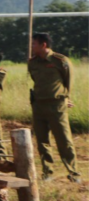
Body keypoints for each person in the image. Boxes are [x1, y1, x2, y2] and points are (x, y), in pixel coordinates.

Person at [27, 32, 81, 182]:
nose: (31, 47)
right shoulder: (32, 63)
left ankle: (73, 172)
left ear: (43, 45)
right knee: (42, 141)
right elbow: (34, 79)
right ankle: (47, 172)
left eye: (34, 44)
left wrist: (66, 98)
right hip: (38, 106)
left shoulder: (60, 61)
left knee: (64, 140)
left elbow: (68, 81)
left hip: (56, 106)